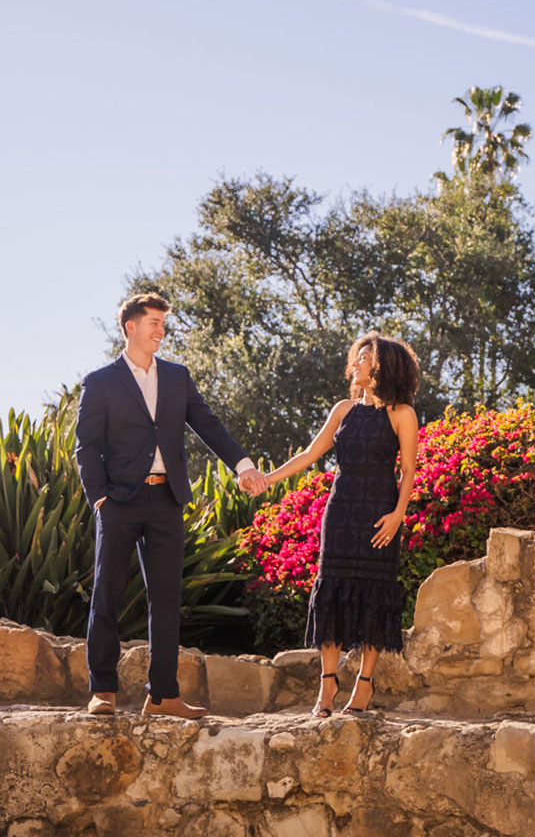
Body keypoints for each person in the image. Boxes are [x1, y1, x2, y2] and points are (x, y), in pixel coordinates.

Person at [74, 291, 265, 718]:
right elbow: (86, 448)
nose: (161, 330)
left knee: (165, 599)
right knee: (107, 593)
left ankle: (162, 695)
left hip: (167, 498)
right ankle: (102, 690)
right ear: (131, 327)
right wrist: (100, 498)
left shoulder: (178, 378)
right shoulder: (101, 382)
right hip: (119, 502)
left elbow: (208, 424)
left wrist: (243, 464)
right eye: (154, 323)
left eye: (163, 323)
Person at [259, 332, 420, 716]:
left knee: (374, 593)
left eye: (366, 357)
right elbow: (310, 454)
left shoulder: (402, 413)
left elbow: (410, 470)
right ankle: (327, 686)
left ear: (384, 366)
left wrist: (398, 515)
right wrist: (267, 480)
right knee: (331, 590)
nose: (357, 362)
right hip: (341, 509)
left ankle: (364, 685)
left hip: (379, 511)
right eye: (357, 356)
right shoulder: (344, 410)